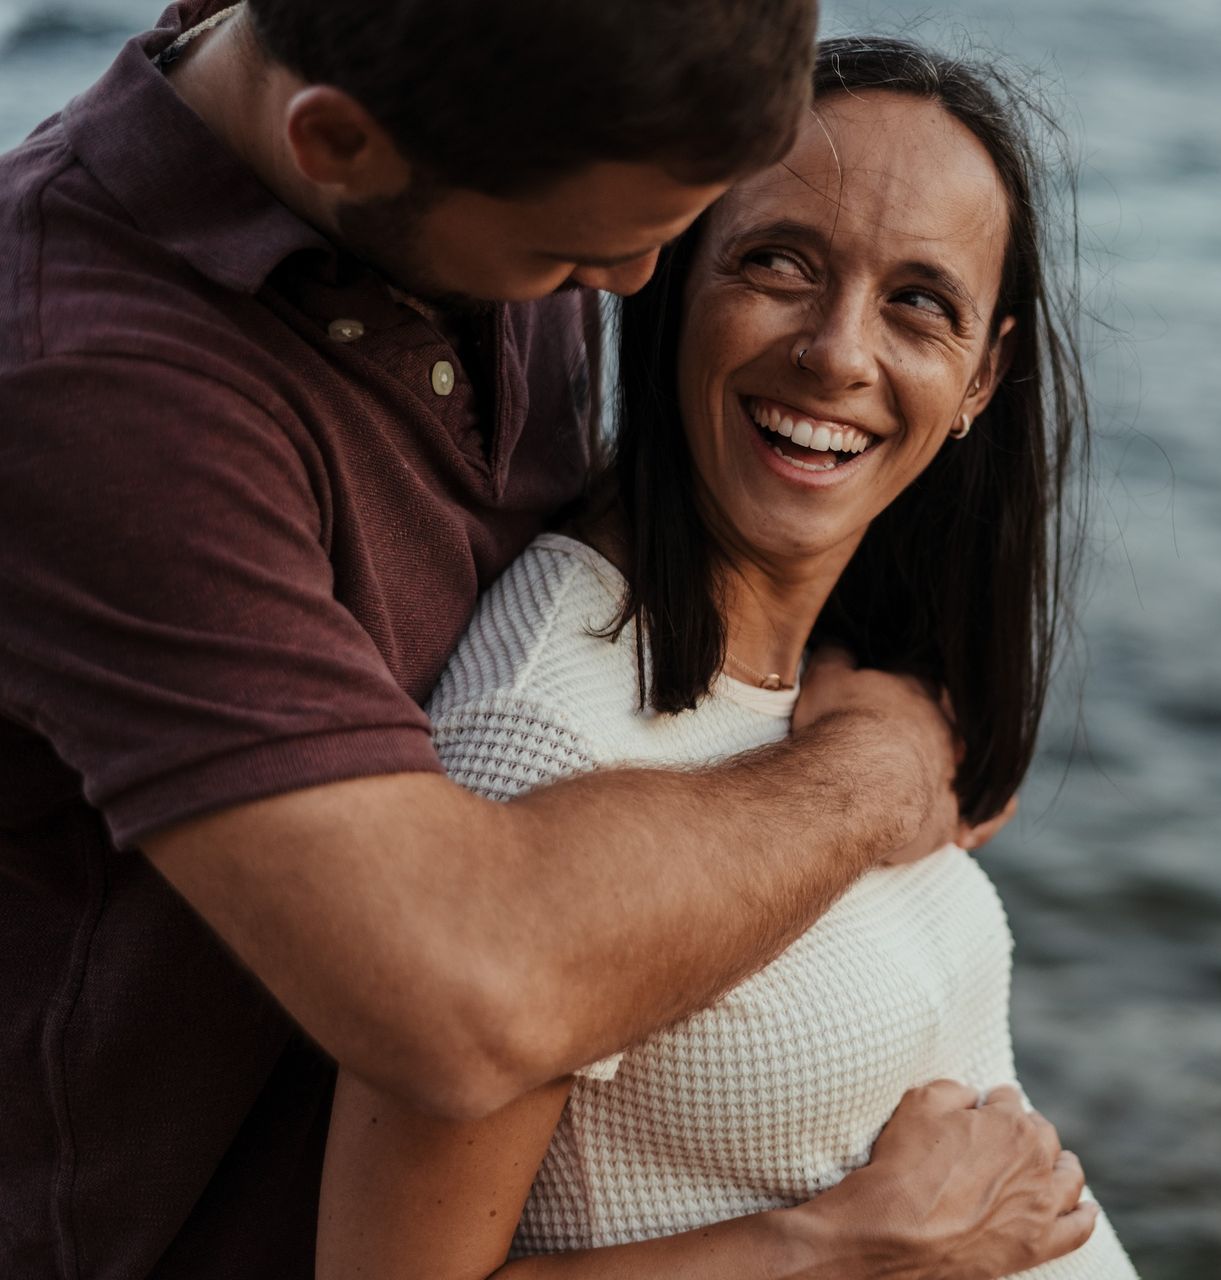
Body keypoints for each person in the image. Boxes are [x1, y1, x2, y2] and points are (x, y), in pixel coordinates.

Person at [0, 4, 1093, 1277]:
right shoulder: (93, 391)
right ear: (340, 147)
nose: (635, 286)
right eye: (588, 250)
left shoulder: (494, 136)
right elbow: (465, 991)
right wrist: (877, 769)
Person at [313, 36, 1135, 1279]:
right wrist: (851, 1244)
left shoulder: (852, 679)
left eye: (921, 300)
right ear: (669, 276)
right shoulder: (544, 730)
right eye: (779, 262)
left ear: (984, 375)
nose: (839, 351)